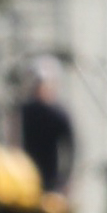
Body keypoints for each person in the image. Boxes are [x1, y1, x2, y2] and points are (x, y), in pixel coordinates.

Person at [17, 58, 76, 196]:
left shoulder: (57, 115)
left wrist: (65, 180)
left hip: (50, 181)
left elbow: (70, 148)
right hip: (24, 178)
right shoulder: (24, 111)